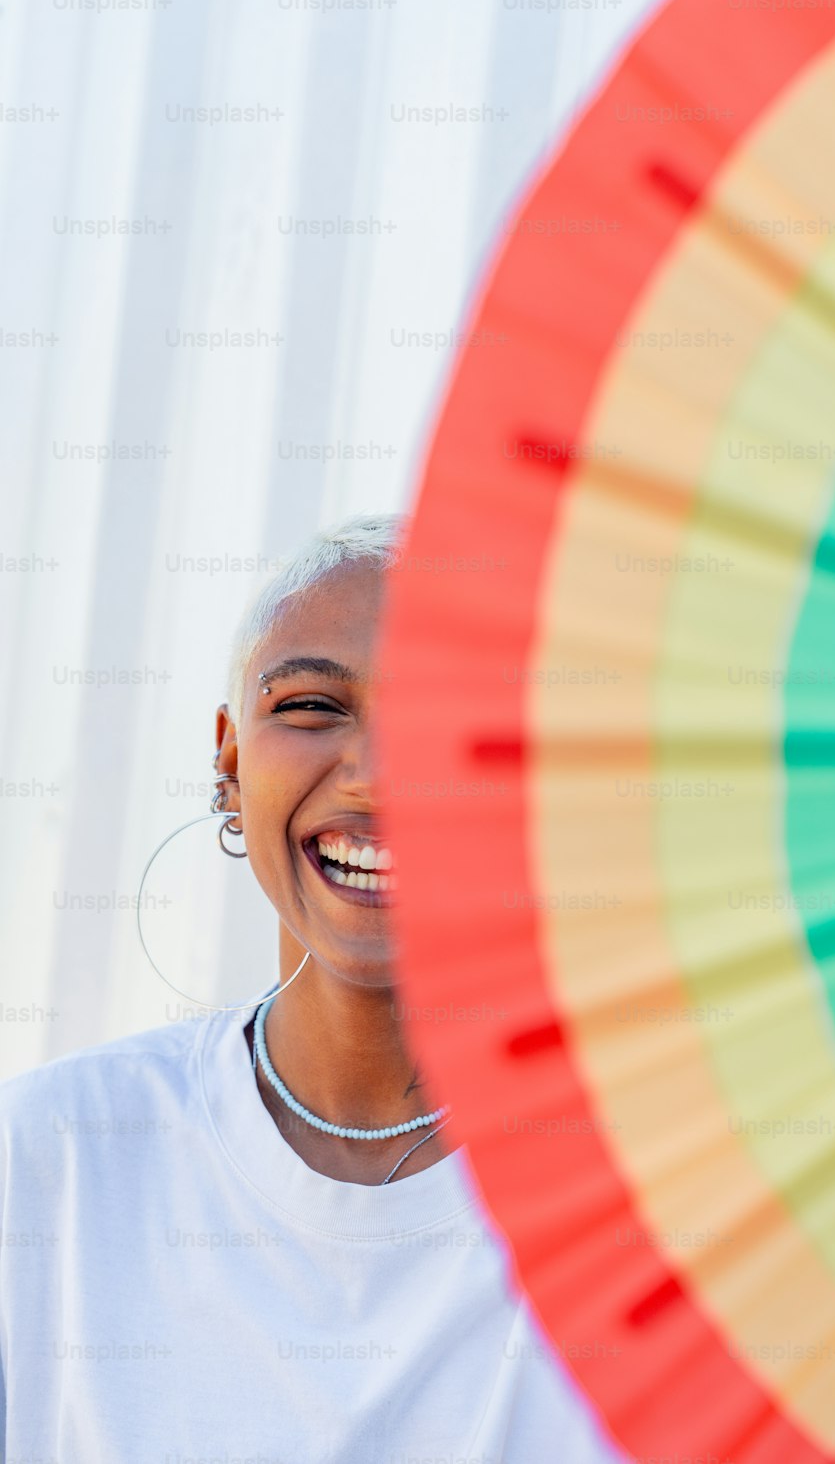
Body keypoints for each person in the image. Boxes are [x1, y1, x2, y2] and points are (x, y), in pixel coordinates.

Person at [0, 514, 625, 1462]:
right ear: (229, 758)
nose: (378, 779)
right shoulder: (54, 1159)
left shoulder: (652, 1206)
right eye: (310, 706)